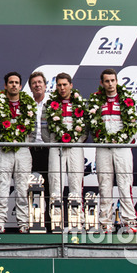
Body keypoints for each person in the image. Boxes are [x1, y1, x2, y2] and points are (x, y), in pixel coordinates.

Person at [87, 69, 137, 231]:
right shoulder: (96, 101)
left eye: (112, 80)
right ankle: (105, 222)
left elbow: (133, 126)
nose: (110, 84)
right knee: (104, 185)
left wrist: (122, 140)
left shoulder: (126, 99)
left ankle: (129, 221)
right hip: (103, 148)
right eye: (107, 81)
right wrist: (102, 139)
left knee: (125, 183)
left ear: (117, 81)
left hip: (122, 148)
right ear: (102, 83)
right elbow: (91, 126)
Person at [0, 71, 35, 233]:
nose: (14, 85)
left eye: (16, 83)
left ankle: (23, 223)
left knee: (22, 188)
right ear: (5, 86)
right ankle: (0, 222)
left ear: (21, 86)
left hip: (22, 150)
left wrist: (24, 144)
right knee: (1, 187)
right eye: (11, 82)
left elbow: (33, 131)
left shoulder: (28, 105)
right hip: (3, 150)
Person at [43, 73, 86, 218]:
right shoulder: (49, 104)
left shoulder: (80, 103)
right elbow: (43, 129)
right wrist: (53, 142)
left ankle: (76, 221)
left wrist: (77, 140)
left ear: (71, 85)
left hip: (75, 147)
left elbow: (85, 129)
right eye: (59, 85)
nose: (62, 88)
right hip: (56, 146)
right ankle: (56, 220)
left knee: (75, 183)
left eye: (65, 85)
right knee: (55, 183)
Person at [28, 72, 50, 205]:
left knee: (49, 188)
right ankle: (27, 223)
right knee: (25, 186)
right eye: (34, 83)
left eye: (40, 82)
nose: (37, 85)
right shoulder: (26, 105)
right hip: (29, 150)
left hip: (48, 150)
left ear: (45, 86)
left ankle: (49, 223)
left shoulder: (52, 105)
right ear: (30, 87)